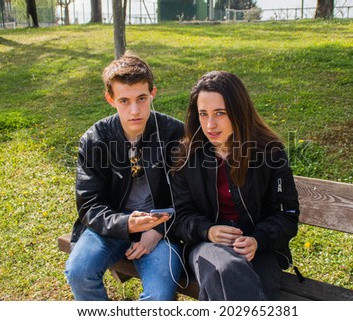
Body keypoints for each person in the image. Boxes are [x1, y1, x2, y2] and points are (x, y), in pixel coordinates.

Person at [65, 52, 184, 301]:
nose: (134, 110)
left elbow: (189, 197)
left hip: (161, 230)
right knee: (78, 272)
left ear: (153, 94)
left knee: (160, 296)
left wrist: (160, 228)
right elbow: (89, 205)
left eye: (142, 99)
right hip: (110, 227)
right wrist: (126, 224)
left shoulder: (175, 134)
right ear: (110, 99)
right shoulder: (95, 139)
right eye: (124, 101)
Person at [171, 71, 300, 301]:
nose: (210, 124)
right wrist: (207, 230)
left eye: (220, 113)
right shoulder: (187, 156)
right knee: (225, 269)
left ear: (238, 111)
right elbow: (179, 217)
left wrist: (258, 240)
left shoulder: (270, 152)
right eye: (203, 114)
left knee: (252, 283)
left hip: (258, 248)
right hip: (205, 245)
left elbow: (287, 216)